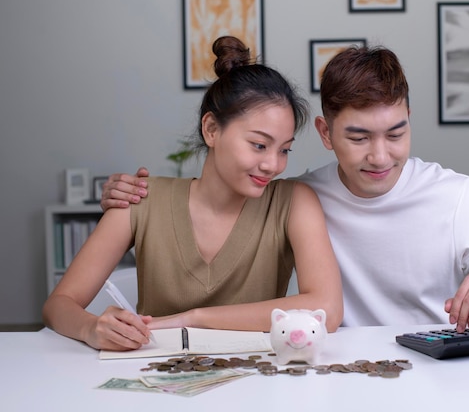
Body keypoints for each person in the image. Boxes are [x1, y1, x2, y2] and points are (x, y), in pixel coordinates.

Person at [101, 44, 469, 332]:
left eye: (396, 134)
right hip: (337, 370)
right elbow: (222, 191)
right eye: (358, 138)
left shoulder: (460, 198)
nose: (380, 156)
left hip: (437, 369)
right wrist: (131, 197)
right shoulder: (298, 195)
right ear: (325, 133)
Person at [42, 36, 344, 352]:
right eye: (258, 145)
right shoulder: (140, 199)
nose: (273, 164)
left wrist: (195, 318)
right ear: (211, 129)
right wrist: (92, 328)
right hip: (156, 380)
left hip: (258, 382)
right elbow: (58, 305)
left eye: (284, 150)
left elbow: (328, 309)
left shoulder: (294, 202)